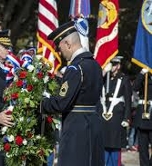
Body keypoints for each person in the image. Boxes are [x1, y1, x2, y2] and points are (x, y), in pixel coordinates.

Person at [41, 21, 104, 166]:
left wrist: (40, 103)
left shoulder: (75, 68)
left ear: (68, 44)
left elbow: (60, 103)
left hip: (76, 127)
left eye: (60, 47)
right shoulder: (95, 65)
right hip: (93, 125)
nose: (58, 52)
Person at [99, 56, 132, 166]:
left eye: (113, 64)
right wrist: (103, 72)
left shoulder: (124, 78)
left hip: (117, 116)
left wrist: (127, 118)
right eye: (109, 64)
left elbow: (128, 100)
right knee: (103, 144)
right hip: (103, 115)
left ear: (118, 66)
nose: (111, 66)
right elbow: (93, 85)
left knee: (114, 146)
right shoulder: (103, 78)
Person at [133, 68, 152, 166]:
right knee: (143, 146)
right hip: (143, 114)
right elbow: (135, 87)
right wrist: (142, 73)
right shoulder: (145, 75)